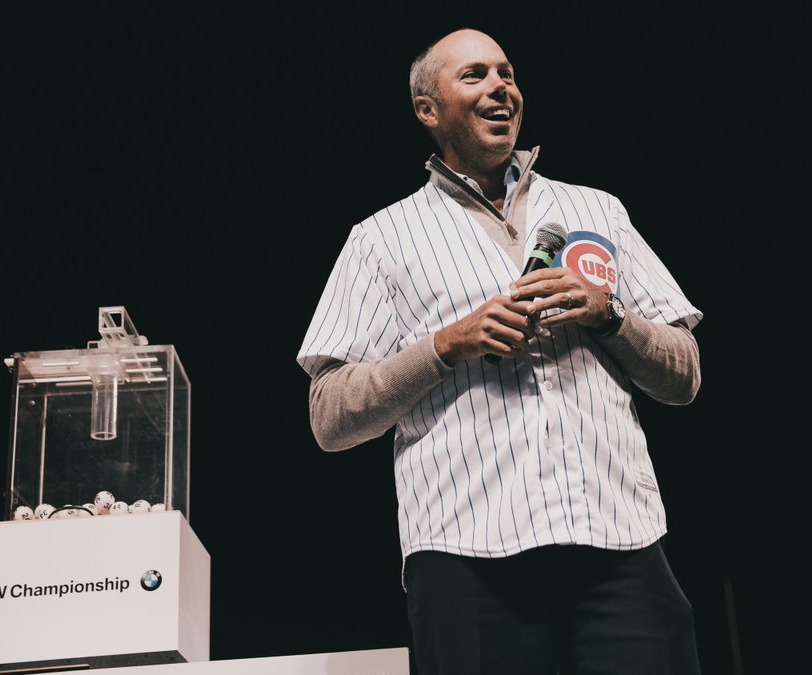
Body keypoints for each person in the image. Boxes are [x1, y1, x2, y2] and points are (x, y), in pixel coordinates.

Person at [296, 28, 703, 675]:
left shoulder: (597, 210)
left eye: (506, 73)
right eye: (475, 75)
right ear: (428, 110)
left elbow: (684, 375)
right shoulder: (381, 238)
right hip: (467, 556)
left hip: (618, 540)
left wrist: (609, 316)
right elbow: (329, 415)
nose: (499, 87)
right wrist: (445, 345)